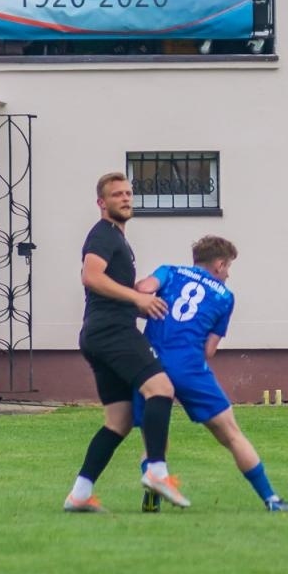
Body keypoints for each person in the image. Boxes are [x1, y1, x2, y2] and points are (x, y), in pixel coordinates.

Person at [132, 236, 288, 513]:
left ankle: (153, 492)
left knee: (155, 435)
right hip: (190, 367)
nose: (228, 273)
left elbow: (142, 289)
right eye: (228, 267)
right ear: (219, 264)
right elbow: (209, 349)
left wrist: (154, 311)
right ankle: (271, 499)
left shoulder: (169, 271)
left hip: (151, 362)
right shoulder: (224, 296)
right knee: (231, 434)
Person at [63, 172, 184, 513]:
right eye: (117, 195)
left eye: (129, 193)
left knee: (119, 420)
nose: (125, 198)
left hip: (99, 333)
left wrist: (147, 307)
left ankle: (80, 494)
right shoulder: (103, 235)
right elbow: (91, 277)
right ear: (102, 203)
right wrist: (136, 298)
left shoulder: (118, 238)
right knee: (161, 389)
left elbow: (109, 291)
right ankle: (157, 473)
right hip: (111, 332)